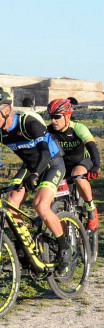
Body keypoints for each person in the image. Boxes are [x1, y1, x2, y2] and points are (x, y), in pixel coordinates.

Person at [0, 88, 71, 272]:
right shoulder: (2, 132)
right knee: (11, 203)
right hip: (30, 166)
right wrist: (31, 172)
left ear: (6, 110)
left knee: (40, 205)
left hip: (52, 162)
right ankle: (23, 253)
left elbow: (45, 152)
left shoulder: (27, 122)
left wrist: (36, 175)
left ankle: (64, 248)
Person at [46, 99, 101, 230]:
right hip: (63, 166)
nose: (53, 120)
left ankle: (90, 207)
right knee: (58, 207)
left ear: (68, 116)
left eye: (57, 117)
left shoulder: (78, 128)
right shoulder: (48, 131)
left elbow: (92, 147)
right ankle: (66, 238)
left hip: (81, 161)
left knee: (77, 174)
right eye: (51, 117)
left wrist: (96, 166)